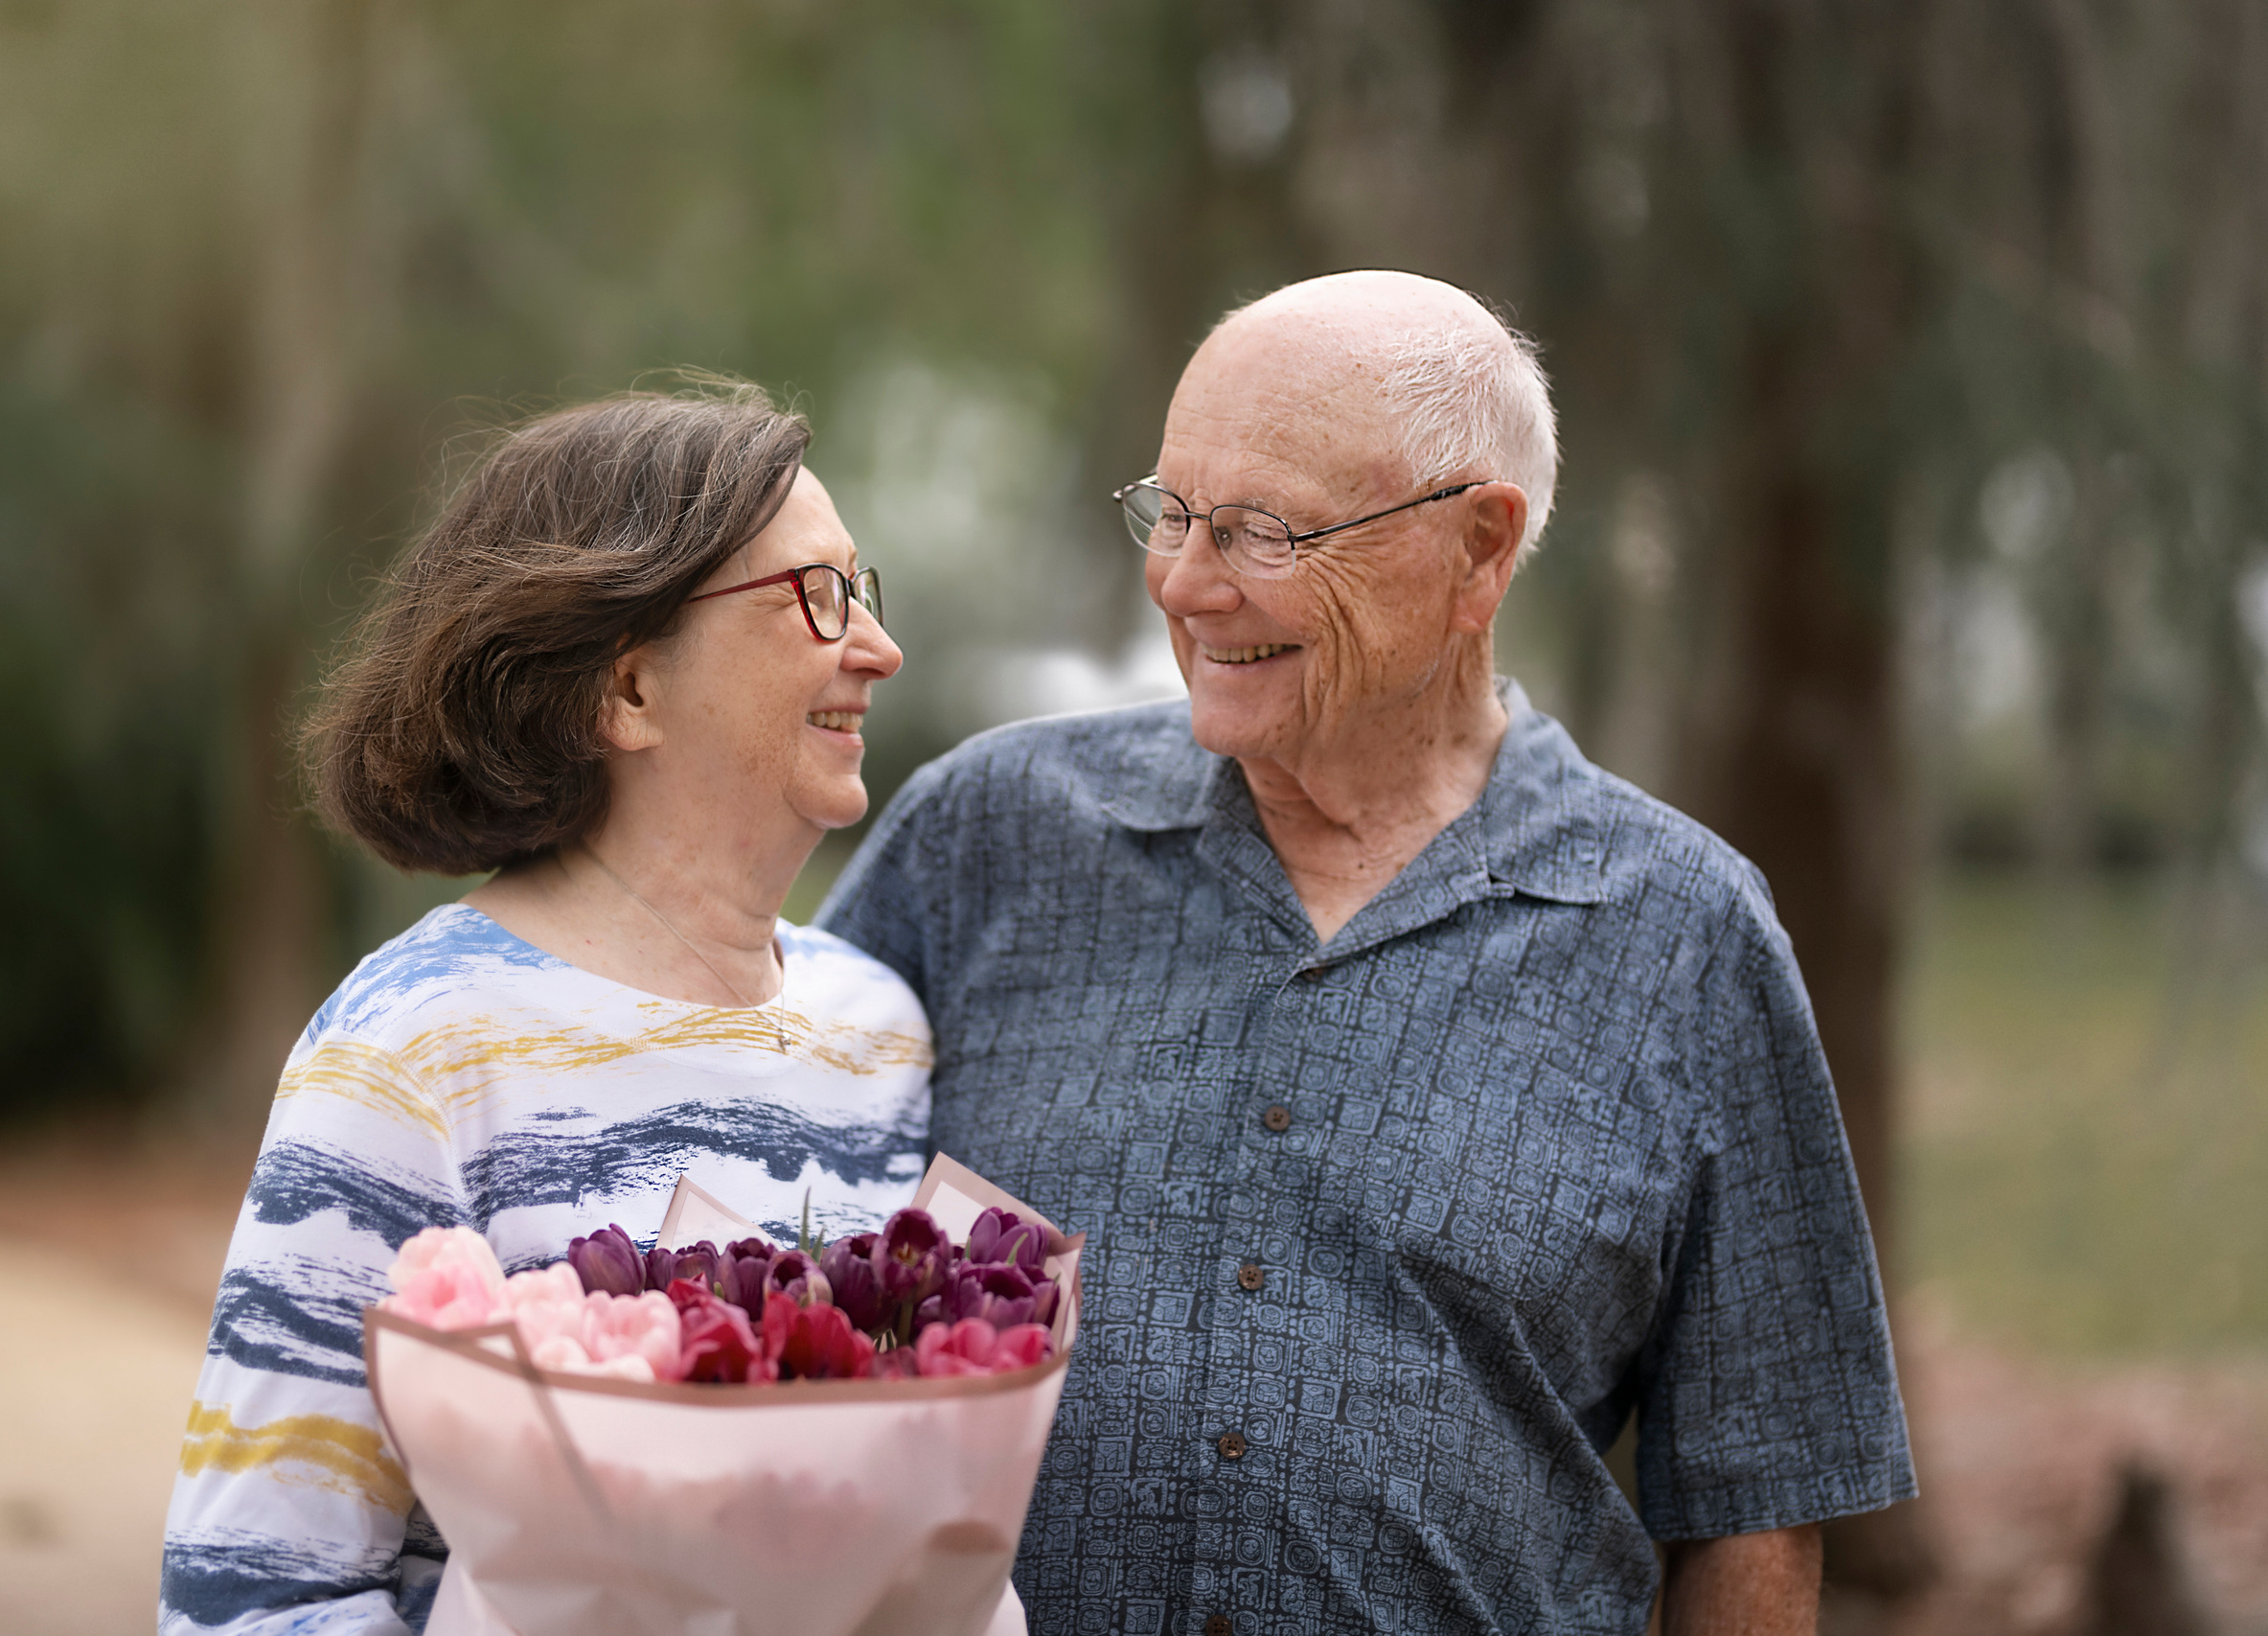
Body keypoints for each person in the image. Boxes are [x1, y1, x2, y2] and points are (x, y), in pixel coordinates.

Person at [820, 271, 1915, 1634]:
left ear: (1478, 550)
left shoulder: (1684, 934)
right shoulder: (986, 837)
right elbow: (755, 1227)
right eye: (1171, 512)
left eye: (1263, 530)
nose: (1185, 582)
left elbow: (1758, 1503)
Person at [161, 383, 925, 1634]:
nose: (879, 649)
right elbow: (248, 1600)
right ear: (628, 689)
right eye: (815, 596)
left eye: (863, 589)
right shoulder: (412, 1047)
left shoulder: (880, 1029)